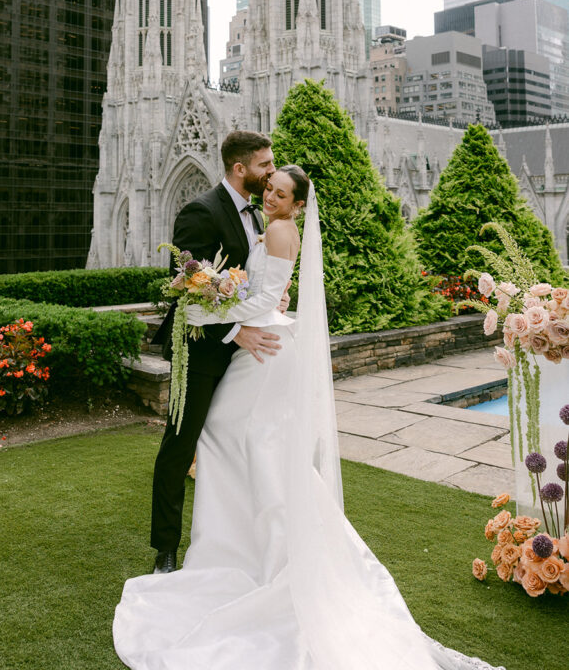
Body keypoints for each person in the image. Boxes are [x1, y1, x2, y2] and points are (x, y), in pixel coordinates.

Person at [114, 165, 506, 670]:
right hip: (263, 337)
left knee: (245, 441)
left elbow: (258, 297)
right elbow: (266, 289)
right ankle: (244, 545)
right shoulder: (273, 226)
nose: (272, 198)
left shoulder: (279, 229)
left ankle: (265, 554)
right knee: (238, 442)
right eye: (270, 189)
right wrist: (225, 295)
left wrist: (207, 309)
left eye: (282, 194)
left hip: (265, 347)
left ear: (299, 205)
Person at [149, 130, 290, 574]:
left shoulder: (261, 216)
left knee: (236, 443)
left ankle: (232, 540)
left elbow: (246, 280)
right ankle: (165, 550)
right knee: (180, 445)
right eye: (265, 165)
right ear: (239, 168)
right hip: (202, 352)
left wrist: (273, 301)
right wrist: (236, 333)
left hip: (244, 359)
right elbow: (189, 294)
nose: (271, 172)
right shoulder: (201, 212)